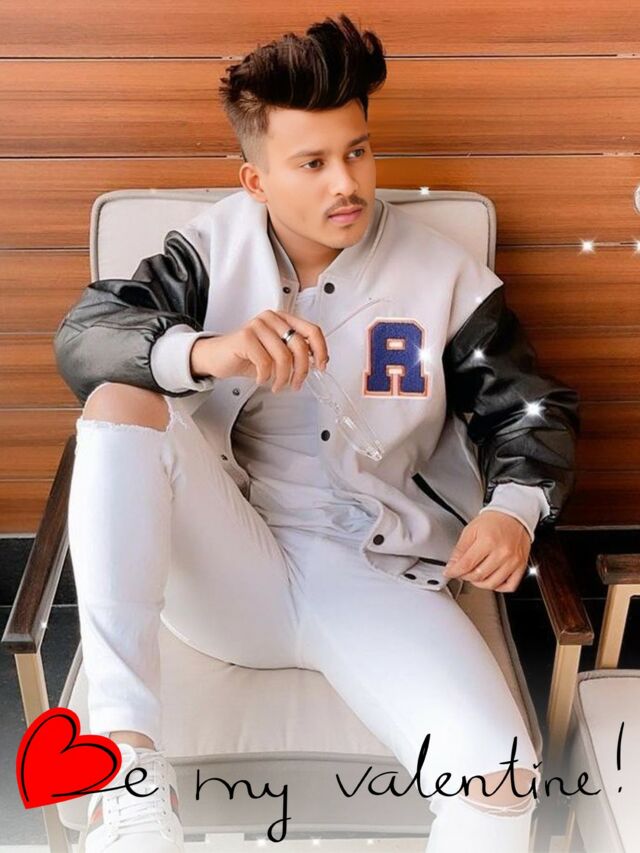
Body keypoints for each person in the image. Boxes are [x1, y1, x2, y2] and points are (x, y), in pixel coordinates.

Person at [53, 13, 579, 853]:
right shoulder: (208, 252)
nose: (347, 183)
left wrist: (513, 510)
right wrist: (205, 350)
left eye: (358, 151)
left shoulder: (444, 275)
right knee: (119, 401)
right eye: (312, 163)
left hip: (376, 573)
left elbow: (529, 410)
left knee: (501, 785)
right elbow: (85, 338)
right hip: (229, 567)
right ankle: (128, 779)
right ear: (256, 181)